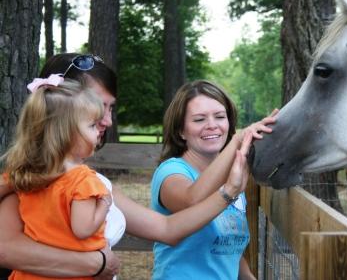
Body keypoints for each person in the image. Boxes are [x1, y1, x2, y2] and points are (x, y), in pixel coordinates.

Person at [0, 53, 272, 279]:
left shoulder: (92, 182)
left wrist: (229, 191)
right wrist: (96, 264)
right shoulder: (26, 178)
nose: (106, 121)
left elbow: (168, 230)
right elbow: (6, 248)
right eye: (96, 111)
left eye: (109, 109)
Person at [151, 80, 278, 280]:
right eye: (199, 119)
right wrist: (237, 140)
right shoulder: (171, 171)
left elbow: (228, 251)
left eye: (220, 116)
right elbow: (191, 200)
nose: (212, 125)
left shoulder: (232, 176)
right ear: (180, 131)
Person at [1, 76, 114, 279]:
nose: (99, 131)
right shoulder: (83, 180)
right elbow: (83, 229)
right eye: (92, 126)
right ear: (66, 134)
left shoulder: (27, 176)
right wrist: (105, 203)